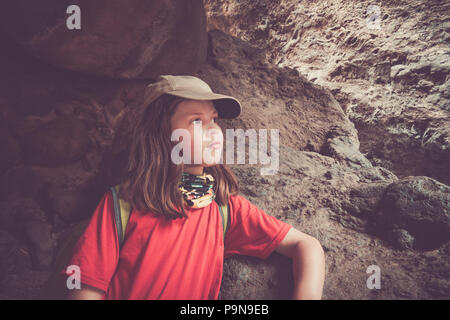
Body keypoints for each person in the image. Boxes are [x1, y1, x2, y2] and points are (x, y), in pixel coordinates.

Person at [63, 75, 325, 300]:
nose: (213, 131)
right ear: (162, 134)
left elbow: (306, 245)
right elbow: (86, 288)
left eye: (213, 119)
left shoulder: (225, 208)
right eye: (196, 121)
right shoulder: (122, 204)